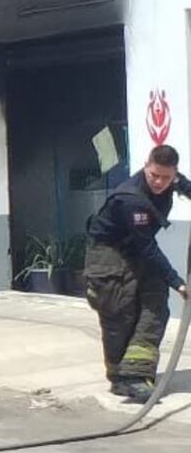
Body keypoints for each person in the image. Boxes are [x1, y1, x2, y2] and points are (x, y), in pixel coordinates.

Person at [85, 144, 190, 403]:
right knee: (119, 312)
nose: (159, 182)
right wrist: (178, 283)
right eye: (154, 175)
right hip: (108, 254)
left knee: (155, 306)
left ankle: (136, 372)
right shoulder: (131, 199)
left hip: (137, 250)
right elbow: (148, 247)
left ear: (173, 173)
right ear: (146, 166)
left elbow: (184, 185)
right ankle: (120, 378)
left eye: (166, 177)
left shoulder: (170, 178)